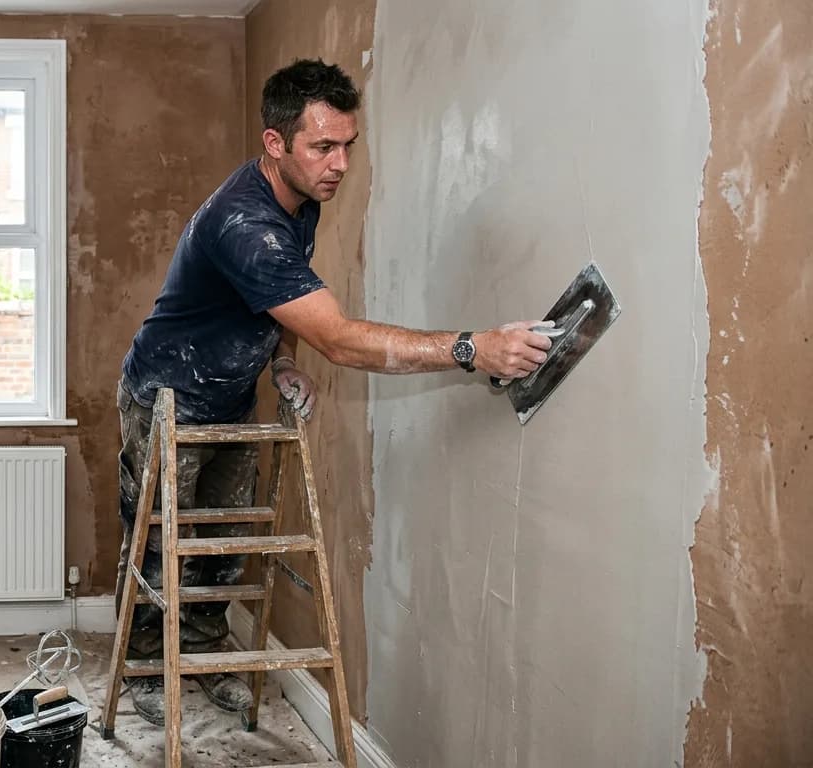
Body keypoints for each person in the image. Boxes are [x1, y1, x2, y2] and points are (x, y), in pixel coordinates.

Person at [115, 58, 553, 726]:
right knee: (157, 543)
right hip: (165, 396)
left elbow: (284, 306)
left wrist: (281, 362)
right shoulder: (246, 227)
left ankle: (203, 655)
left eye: (348, 145)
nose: (340, 163)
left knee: (225, 541)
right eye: (323, 146)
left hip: (229, 394)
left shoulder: (300, 203)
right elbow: (342, 339)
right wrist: (473, 347)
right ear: (275, 143)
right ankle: (147, 668)